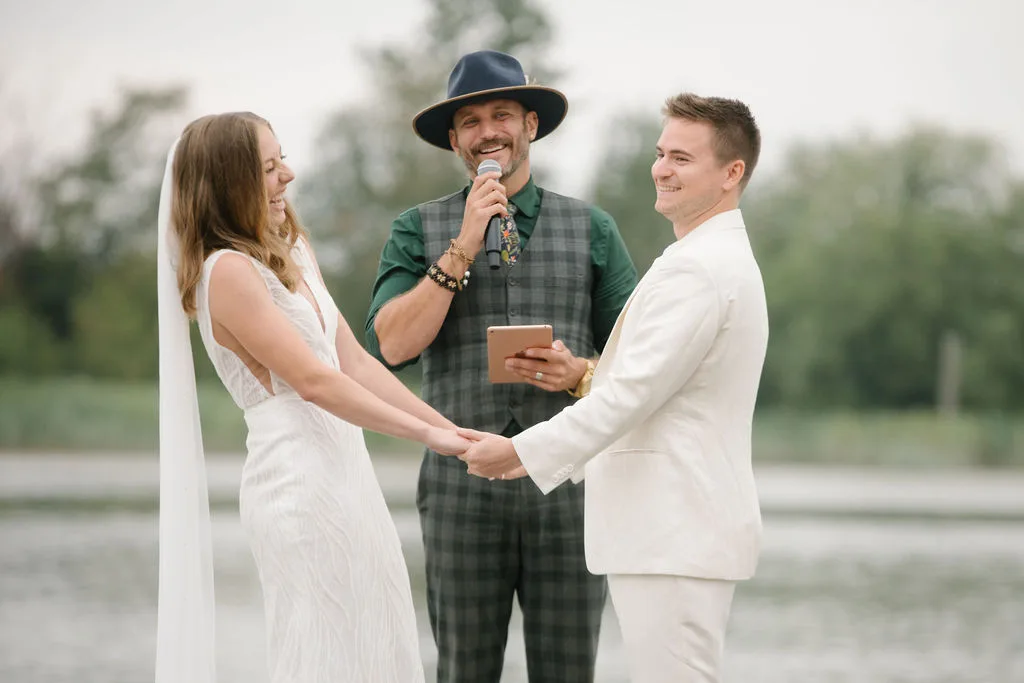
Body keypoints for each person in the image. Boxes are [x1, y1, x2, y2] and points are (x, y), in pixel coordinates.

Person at [458, 92, 769, 683]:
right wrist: (581, 375)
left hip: (673, 531)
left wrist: (520, 452)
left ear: (732, 173)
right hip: (672, 533)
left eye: (682, 158)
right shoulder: (705, 256)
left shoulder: (699, 267)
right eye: (660, 153)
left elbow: (630, 398)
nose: (661, 169)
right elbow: (655, 388)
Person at [155, 111, 469, 683]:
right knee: (322, 648)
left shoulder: (293, 249)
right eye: (270, 168)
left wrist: (448, 427)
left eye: (283, 160)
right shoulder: (225, 272)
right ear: (229, 182)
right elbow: (315, 381)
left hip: (349, 476)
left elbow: (352, 360)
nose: (288, 175)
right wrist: (429, 439)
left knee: (378, 635)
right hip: (297, 485)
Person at [365, 50, 638, 682]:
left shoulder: (594, 227)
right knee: (462, 670)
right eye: (470, 120)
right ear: (456, 141)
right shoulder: (417, 229)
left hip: (567, 487)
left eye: (502, 114)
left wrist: (578, 372)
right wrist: (461, 244)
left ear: (530, 126)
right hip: (461, 487)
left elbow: (639, 361)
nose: (488, 130)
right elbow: (393, 346)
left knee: (569, 671)